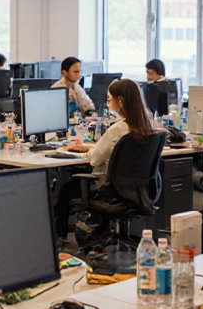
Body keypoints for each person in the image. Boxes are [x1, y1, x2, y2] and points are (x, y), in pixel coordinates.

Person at [52, 80, 154, 236]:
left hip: (106, 190)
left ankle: (60, 238)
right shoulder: (146, 125)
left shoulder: (117, 129)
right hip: (136, 191)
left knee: (65, 189)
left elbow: (94, 159)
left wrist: (78, 151)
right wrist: (93, 147)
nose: (107, 102)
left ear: (120, 100)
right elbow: (114, 149)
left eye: (109, 98)